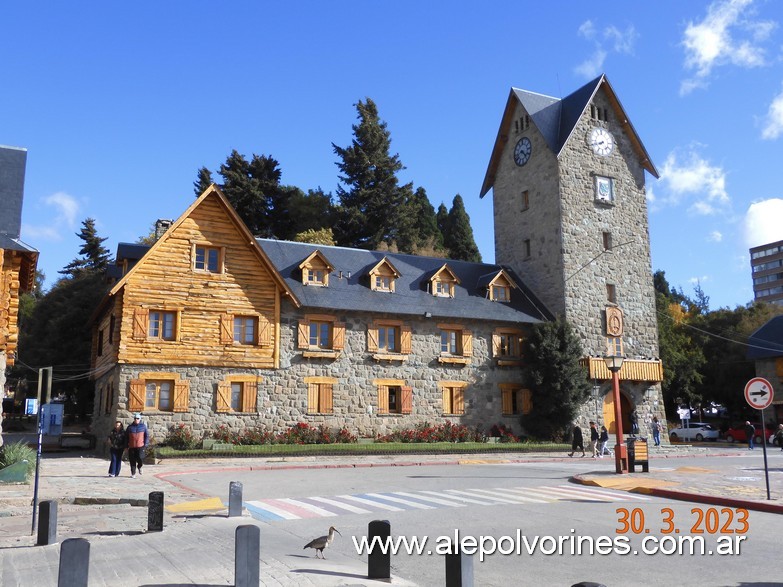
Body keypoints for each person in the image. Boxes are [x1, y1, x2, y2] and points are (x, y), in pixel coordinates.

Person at [126, 413, 149, 478]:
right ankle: (133, 473)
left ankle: (140, 466)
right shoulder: (130, 427)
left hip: (140, 446)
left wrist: (145, 444)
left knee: (140, 458)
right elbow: (126, 437)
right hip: (132, 446)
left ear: (140, 419)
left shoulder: (143, 426)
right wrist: (126, 446)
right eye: (135, 418)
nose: (136, 419)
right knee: (132, 460)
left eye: (138, 418)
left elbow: (146, 436)